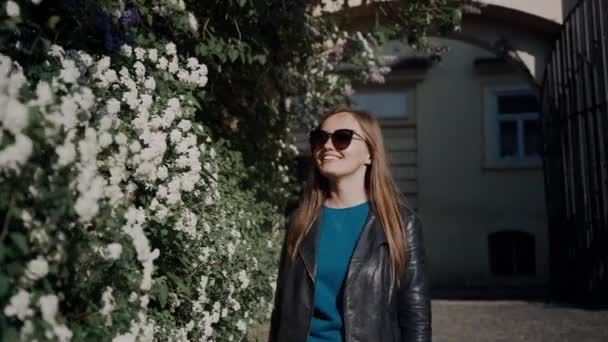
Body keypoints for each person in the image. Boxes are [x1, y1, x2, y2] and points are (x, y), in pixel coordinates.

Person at [268, 107, 431, 342]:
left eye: (342, 138)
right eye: (320, 138)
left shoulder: (401, 223)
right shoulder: (300, 221)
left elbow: (416, 317)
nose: (327, 146)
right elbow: (282, 311)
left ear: (370, 154)